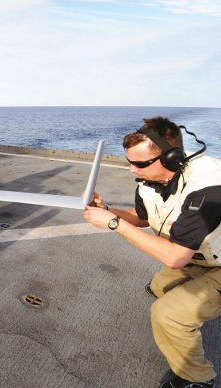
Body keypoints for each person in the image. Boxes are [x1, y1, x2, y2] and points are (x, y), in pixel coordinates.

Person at [84, 116, 221, 388]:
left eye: (140, 163)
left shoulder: (209, 188)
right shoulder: (149, 182)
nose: (132, 170)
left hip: (208, 260)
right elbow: (143, 217)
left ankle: (197, 379)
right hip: (199, 257)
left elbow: (175, 257)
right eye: (129, 162)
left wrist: (114, 224)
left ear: (172, 159)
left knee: (168, 314)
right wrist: (108, 210)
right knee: (160, 286)